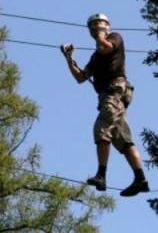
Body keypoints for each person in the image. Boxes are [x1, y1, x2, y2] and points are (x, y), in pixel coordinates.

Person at [60, 12, 150, 197]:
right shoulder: (95, 56)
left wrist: (101, 35)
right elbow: (81, 77)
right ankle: (140, 179)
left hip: (114, 91)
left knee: (101, 127)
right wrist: (69, 59)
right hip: (107, 96)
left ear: (107, 26)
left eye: (98, 23)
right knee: (122, 138)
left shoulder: (115, 37)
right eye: (92, 25)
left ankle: (101, 175)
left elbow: (105, 48)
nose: (95, 27)